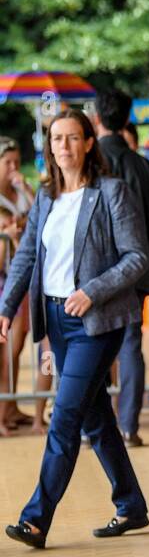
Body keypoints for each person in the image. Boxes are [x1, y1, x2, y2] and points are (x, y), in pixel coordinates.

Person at [0, 109, 149, 548]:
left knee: (64, 417)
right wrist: (7, 307)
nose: (62, 146)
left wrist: (93, 290)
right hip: (56, 321)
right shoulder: (46, 197)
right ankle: (132, 505)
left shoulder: (111, 192)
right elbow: (28, 255)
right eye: (55, 139)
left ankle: (35, 518)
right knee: (94, 417)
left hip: (95, 322)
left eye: (71, 138)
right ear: (48, 147)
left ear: (88, 143)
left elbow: (136, 257)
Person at [92, 87, 149, 448]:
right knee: (130, 345)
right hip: (137, 272)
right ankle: (128, 426)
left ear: (96, 119)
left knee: (93, 347)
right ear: (127, 119)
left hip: (95, 273)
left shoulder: (90, 164)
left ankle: (95, 428)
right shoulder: (145, 167)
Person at [0, 136, 37, 434]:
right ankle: (2, 411)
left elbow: (38, 215)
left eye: (15, 160)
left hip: (20, 274)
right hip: (4, 277)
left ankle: (10, 406)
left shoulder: (19, 192)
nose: (13, 167)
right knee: (4, 347)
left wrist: (25, 187)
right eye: (7, 162)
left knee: (17, 343)